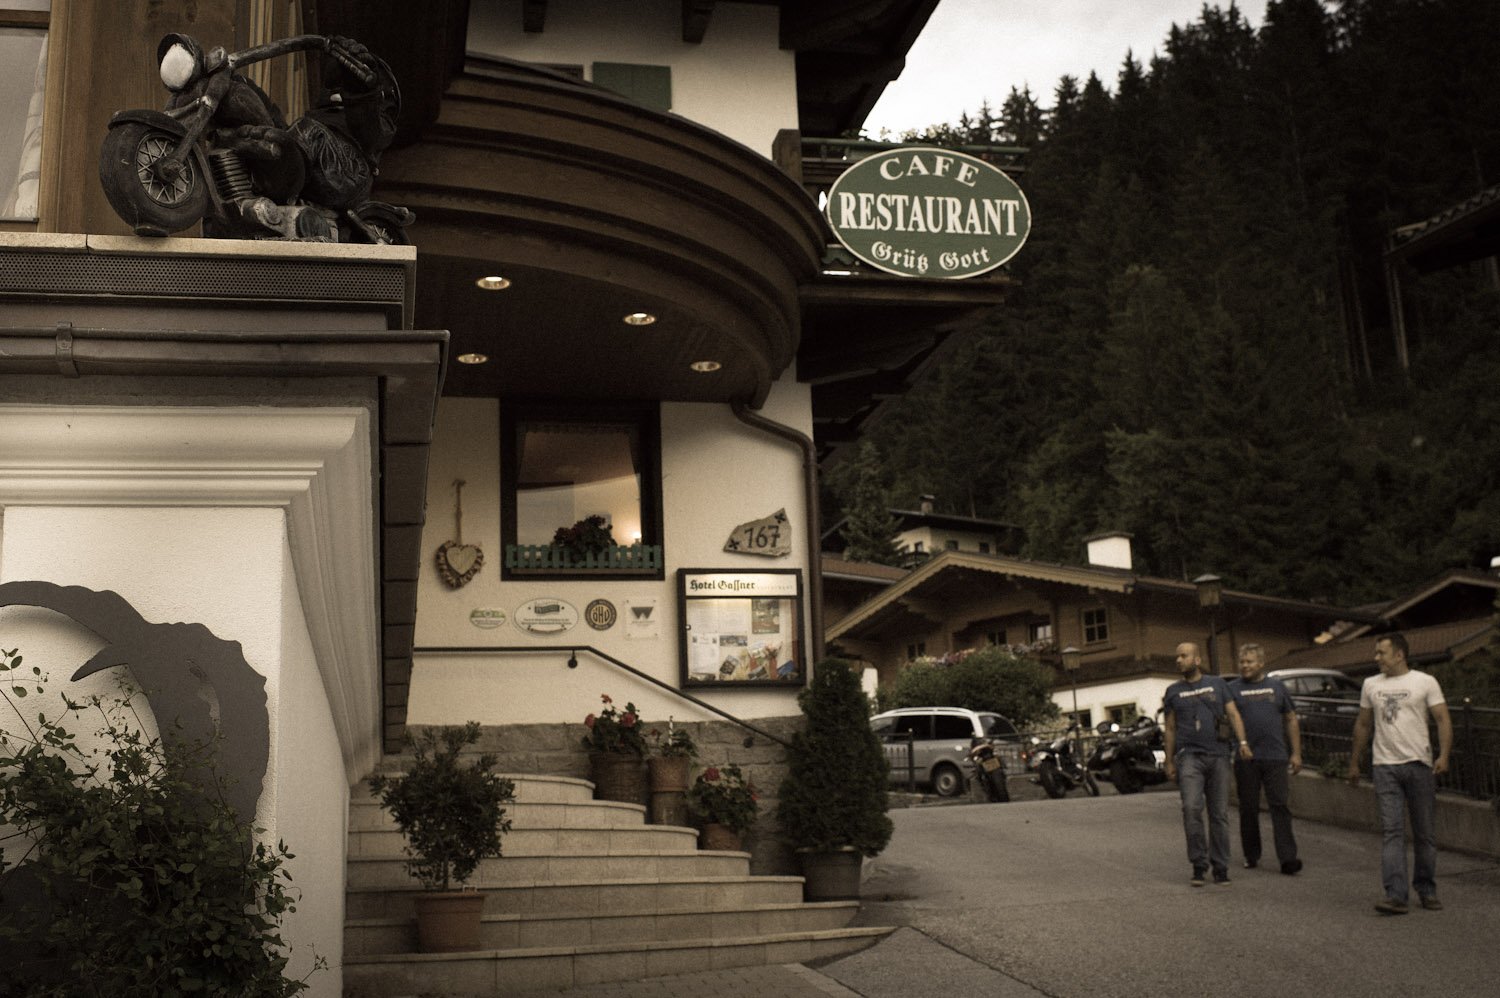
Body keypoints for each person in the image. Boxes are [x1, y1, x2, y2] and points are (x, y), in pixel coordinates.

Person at [1346, 633, 1452, 915]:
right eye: (1376, 653)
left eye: (1381, 653)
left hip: (1419, 764)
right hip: (1385, 766)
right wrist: (1355, 762)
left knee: (1424, 832)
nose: (1376, 658)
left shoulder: (1424, 682)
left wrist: (1443, 755)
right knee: (1392, 831)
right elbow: (1363, 724)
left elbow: (1442, 718)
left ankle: (1426, 888)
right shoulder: (1371, 684)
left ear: (1399, 655)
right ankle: (1396, 894)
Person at [1163, 641, 1250, 886]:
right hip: (1189, 756)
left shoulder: (1218, 684)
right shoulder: (1173, 691)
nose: (1178, 660)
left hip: (1218, 755)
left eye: (1184, 656)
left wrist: (1243, 742)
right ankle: (1199, 865)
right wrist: (1168, 760)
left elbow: (1233, 714)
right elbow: (1170, 727)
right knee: (1191, 808)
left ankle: (1220, 866)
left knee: (1219, 813)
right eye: (1177, 656)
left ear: (1197, 660)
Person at [1227, 643, 1302, 875]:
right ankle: (1251, 854)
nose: (1245, 666)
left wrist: (1296, 753)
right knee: (1248, 808)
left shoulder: (1277, 687)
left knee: (1280, 806)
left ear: (1261, 663)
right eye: (1242, 662)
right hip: (1246, 758)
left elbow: (1291, 719)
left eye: (1249, 661)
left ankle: (1288, 858)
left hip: (1275, 756)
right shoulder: (1232, 689)